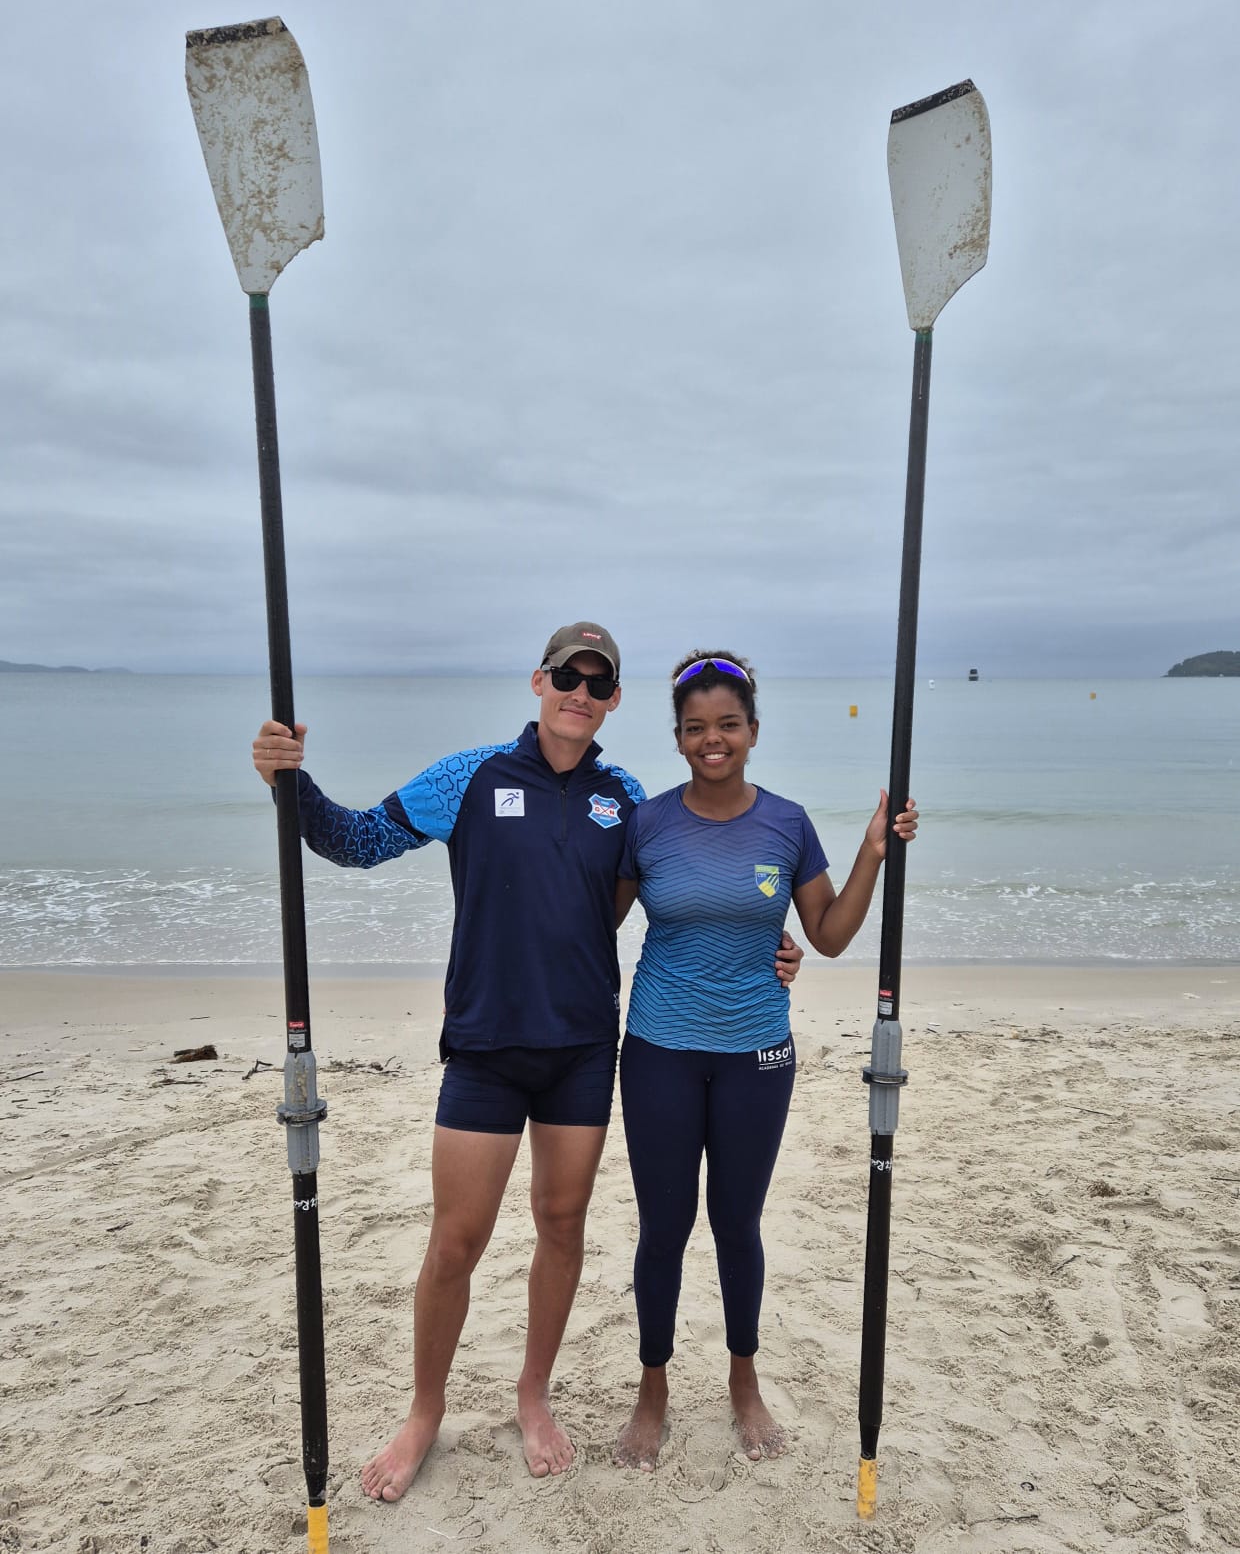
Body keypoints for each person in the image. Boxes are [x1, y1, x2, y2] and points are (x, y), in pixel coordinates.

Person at [251, 623, 802, 1500]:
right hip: (483, 1046)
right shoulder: (469, 776)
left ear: (614, 698)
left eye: (598, 681)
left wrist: (770, 949)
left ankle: (533, 1393)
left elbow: (687, 888)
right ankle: (423, 1410)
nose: (579, 691)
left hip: (583, 1050)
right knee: (455, 1242)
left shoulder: (624, 798)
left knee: (561, 1224)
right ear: (538, 679)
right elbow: (354, 840)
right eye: (566, 675)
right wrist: (291, 780)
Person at [611, 651, 918, 1473]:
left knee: (736, 1223)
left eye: (728, 725)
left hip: (756, 1051)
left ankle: (745, 1380)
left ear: (752, 731)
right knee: (664, 1229)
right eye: (696, 727)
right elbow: (590, 920)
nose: (713, 740)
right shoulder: (647, 823)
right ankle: (654, 1387)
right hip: (658, 1050)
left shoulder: (786, 821)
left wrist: (873, 853)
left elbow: (828, 933)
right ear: (677, 738)